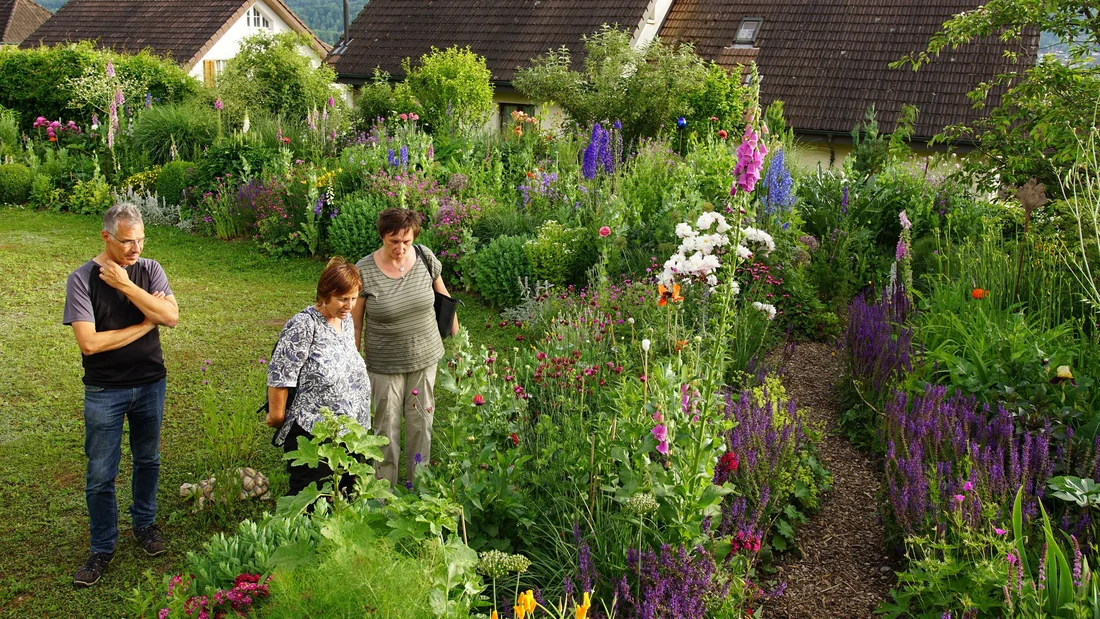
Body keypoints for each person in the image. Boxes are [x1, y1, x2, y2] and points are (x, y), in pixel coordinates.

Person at [63, 203, 180, 587]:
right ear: (106, 237)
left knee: (148, 459)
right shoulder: (80, 280)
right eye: (128, 241)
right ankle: (102, 547)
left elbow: (172, 317)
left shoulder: (149, 270)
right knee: (100, 474)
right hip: (104, 391)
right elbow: (91, 344)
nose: (136, 249)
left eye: (141, 240)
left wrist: (127, 285)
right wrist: (147, 323)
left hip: (150, 384)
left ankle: (144, 526)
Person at [353, 208, 458, 486]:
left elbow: (445, 298)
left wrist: (458, 342)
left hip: (425, 357)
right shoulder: (364, 270)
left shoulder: (425, 257)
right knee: (385, 429)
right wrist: (353, 361)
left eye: (406, 241)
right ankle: (383, 494)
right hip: (384, 363)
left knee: (420, 425)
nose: (400, 248)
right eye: (393, 241)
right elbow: (356, 324)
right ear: (382, 237)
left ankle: (418, 487)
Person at [266, 257, 372, 496]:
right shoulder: (304, 325)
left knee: (345, 497)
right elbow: (281, 375)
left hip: (349, 431)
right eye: (342, 299)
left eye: (353, 298)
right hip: (314, 434)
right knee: (311, 499)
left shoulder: (343, 322)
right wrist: (276, 416)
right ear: (325, 294)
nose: (349, 305)